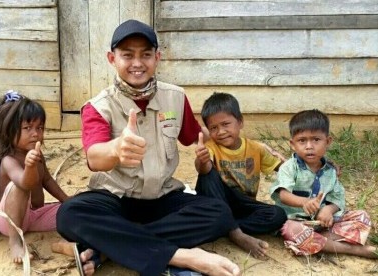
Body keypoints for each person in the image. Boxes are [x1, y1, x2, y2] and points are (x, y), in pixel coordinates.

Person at [56, 19, 241, 276]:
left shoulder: (175, 97)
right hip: (116, 199)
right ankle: (181, 256)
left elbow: (193, 136)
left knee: (218, 212)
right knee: (70, 215)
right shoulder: (98, 106)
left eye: (145, 54)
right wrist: (116, 149)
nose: (137, 63)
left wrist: (241, 140)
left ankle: (108, 247)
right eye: (127, 55)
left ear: (157, 58)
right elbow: (94, 157)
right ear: (112, 59)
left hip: (162, 198)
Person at [269, 109, 377, 258]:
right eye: (302, 141)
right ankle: (353, 249)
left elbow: (337, 199)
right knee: (291, 230)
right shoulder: (289, 167)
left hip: (323, 224)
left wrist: (329, 210)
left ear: (328, 141)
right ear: (293, 144)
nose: (309, 146)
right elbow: (283, 195)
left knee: (361, 216)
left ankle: (322, 241)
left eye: (316, 140)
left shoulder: (330, 171)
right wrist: (304, 202)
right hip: (296, 222)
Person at [194, 92, 287, 259]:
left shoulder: (255, 148)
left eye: (225, 124)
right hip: (217, 201)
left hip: (243, 204)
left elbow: (286, 168)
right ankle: (237, 234)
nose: (221, 131)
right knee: (208, 175)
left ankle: (227, 228)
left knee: (278, 215)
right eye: (213, 128)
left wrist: (321, 163)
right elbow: (203, 170)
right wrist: (202, 160)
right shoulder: (211, 148)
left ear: (240, 122)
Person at [0, 91, 70, 263]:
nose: (35, 133)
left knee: (72, 211)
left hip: (34, 216)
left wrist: (66, 200)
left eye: (40, 128)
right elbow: (24, 183)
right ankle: (15, 241)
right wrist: (30, 166)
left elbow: (47, 180)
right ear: (10, 132)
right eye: (27, 128)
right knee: (17, 186)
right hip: (7, 222)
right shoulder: (8, 160)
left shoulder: (37, 155)